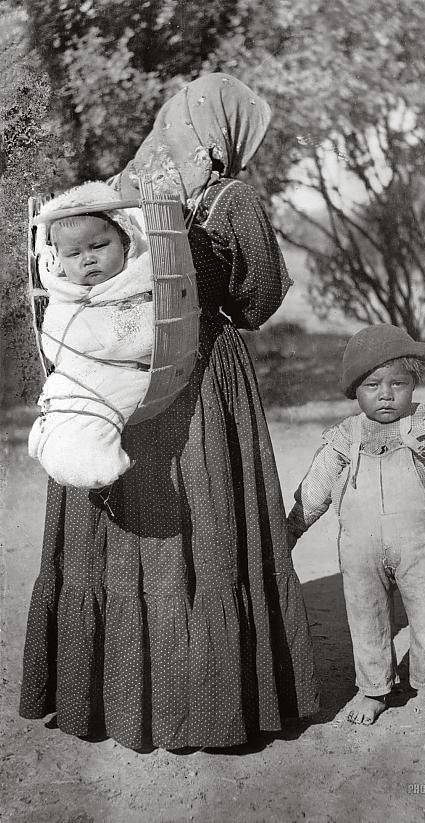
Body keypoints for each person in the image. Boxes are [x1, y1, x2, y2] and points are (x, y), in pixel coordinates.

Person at [19, 73, 319, 750]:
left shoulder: (124, 191)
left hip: (111, 381)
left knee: (131, 537)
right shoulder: (231, 197)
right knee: (205, 519)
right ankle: (212, 702)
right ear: (230, 130)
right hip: (200, 378)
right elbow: (258, 301)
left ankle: (107, 696)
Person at [287, 324, 425, 734]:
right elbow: (314, 490)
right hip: (360, 550)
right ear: (354, 390)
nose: (386, 394)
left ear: (415, 384)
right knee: (366, 616)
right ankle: (374, 689)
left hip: (421, 545)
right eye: (372, 385)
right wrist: (290, 533)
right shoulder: (344, 438)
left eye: (399, 383)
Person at [28, 181, 152, 489]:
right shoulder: (65, 293)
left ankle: (95, 458)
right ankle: (55, 438)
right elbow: (55, 336)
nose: (88, 259)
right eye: (74, 253)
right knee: (63, 410)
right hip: (77, 375)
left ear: (125, 242)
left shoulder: (136, 281)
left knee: (92, 427)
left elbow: (144, 334)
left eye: (98, 246)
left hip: (123, 374)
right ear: (58, 260)